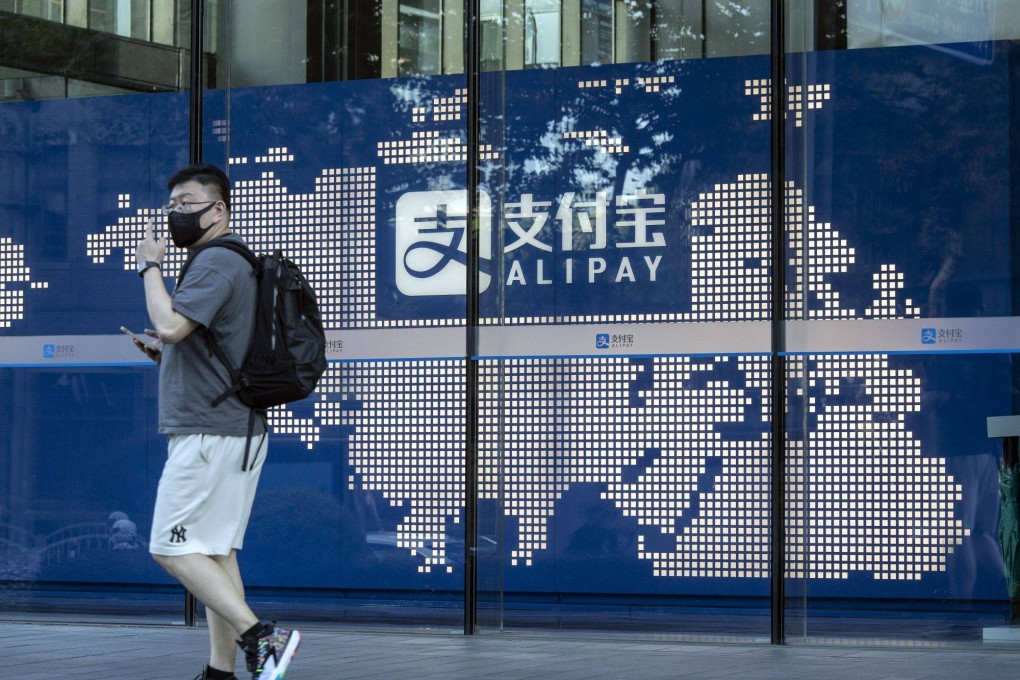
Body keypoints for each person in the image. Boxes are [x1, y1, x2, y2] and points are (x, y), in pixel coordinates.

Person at [132, 164, 300, 680]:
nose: (175, 213)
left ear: (218, 209)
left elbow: (171, 323)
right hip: (234, 428)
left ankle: (262, 637)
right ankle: (220, 672)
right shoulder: (235, 263)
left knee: (169, 546)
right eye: (172, 205)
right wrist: (166, 356)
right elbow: (205, 344)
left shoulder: (214, 262)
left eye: (186, 203)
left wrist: (149, 267)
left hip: (209, 433)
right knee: (216, 554)